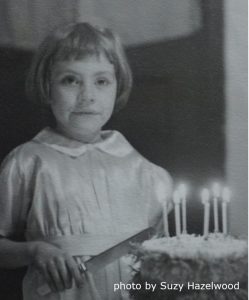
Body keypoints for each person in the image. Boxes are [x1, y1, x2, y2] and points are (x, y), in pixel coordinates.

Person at [0, 22, 172, 300]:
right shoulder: (28, 162)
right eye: (71, 80)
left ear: (118, 86)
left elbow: (159, 259)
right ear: (47, 85)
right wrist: (34, 250)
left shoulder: (146, 172)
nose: (87, 96)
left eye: (101, 81)